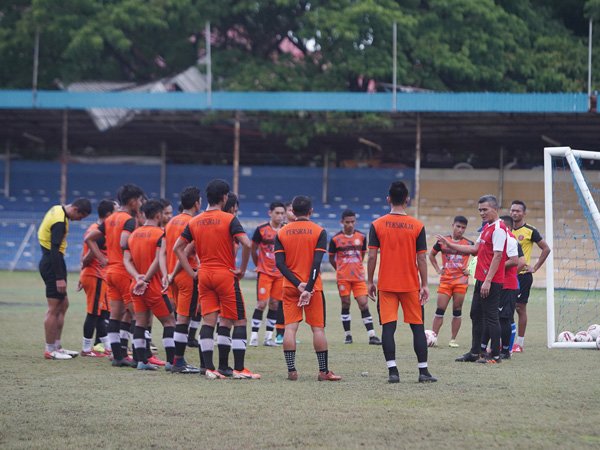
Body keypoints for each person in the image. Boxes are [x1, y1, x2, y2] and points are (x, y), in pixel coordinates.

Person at [174, 179, 260, 379]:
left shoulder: (194, 221)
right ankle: (237, 368)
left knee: (208, 321)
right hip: (225, 274)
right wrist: (242, 269)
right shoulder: (229, 219)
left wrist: (192, 272)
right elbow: (247, 244)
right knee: (238, 320)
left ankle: (209, 368)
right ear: (224, 197)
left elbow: (178, 248)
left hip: (204, 275)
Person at [367, 181, 436, 383]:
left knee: (388, 329)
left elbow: (371, 256)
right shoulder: (417, 225)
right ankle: (423, 372)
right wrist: (424, 284)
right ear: (407, 199)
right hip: (410, 285)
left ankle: (393, 372)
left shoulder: (377, 224)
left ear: (388, 198)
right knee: (417, 327)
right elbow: (421, 258)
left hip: (387, 285)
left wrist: (370, 281)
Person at [275, 195, 341, 382]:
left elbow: (280, 264)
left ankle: (292, 371)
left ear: (292, 212)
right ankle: (323, 372)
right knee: (318, 330)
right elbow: (316, 263)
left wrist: (297, 285)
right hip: (314, 289)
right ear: (311, 211)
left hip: (289, 286)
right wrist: (308, 288)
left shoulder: (282, 232)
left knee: (290, 329)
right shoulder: (319, 231)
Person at [439, 194, 509, 365]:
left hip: (491, 281)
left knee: (491, 317)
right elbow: (474, 249)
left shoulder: (499, 229)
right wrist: (449, 245)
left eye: (485, 209)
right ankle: (475, 352)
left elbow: (498, 256)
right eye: (479, 210)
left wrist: (488, 280)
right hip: (481, 278)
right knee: (475, 314)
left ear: (495, 209)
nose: (482, 213)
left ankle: (495, 356)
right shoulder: (486, 228)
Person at [86, 184, 144, 367]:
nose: (141, 203)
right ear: (133, 201)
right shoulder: (128, 220)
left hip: (109, 271)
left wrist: (102, 258)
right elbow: (124, 242)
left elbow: (89, 238)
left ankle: (118, 356)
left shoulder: (110, 219)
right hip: (123, 272)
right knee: (138, 315)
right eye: (140, 200)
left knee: (115, 315)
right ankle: (140, 356)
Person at [123, 200, 176, 370]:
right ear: (159, 215)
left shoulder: (134, 234)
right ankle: (171, 362)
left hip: (135, 285)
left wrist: (137, 277)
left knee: (140, 322)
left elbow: (126, 260)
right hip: (152, 286)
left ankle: (141, 362)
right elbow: (157, 259)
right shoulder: (160, 233)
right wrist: (145, 279)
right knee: (169, 322)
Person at [38, 198, 91, 359]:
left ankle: (57, 346)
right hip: (52, 263)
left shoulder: (57, 209)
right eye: (80, 217)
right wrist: (59, 277)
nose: (79, 220)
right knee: (54, 308)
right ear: (75, 209)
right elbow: (54, 250)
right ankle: (50, 349)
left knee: (63, 304)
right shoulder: (60, 221)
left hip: (52, 261)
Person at [328, 209, 381, 345]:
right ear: (342, 222)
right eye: (347, 222)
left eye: (352, 222)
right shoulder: (335, 239)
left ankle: (372, 336)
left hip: (358, 277)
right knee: (345, 303)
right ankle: (348, 335)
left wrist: (355, 266)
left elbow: (362, 254)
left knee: (364, 304)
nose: (350, 225)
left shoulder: (362, 237)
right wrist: (340, 269)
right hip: (343, 278)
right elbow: (331, 258)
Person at [164, 187, 202, 373]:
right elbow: (185, 252)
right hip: (186, 274)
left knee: (179, 317)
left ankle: (175, 359)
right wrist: (192, 273)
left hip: (174, 276)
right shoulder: (194, 222)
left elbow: (165, 250)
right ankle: (178, 362)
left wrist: (169, 274)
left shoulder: (171, 222)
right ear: (197, 203)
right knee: (183, 319)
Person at [510, 200, 551, 353]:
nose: (515, 213)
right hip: (506, 275)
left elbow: (546, 249)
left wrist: (535, 267)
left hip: (522, 276)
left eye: (518, 211)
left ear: (524, 213)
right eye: (512, 210)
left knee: (519, 308)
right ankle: (505, 341)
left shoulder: (530, 231)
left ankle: (519, 343)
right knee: (505, 309)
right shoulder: (505, 229)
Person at [428, 216, 473, 348]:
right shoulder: (443, 241)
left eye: (463, 228)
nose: (460, 230)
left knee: (457, 310)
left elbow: (480, 257)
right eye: (458, 226)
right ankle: (433, 337)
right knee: (440, 310)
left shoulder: (469, 244)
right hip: (446, 281)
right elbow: (431, 255)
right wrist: (437, 269)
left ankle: (453, 339)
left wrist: (470, 269)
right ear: (453, 225)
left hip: (461, 281)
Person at [79, 199, 115, 357]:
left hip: (99, 275)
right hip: (95, 275)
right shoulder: (99, 232)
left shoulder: (98, 229)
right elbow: (87, 258)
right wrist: (102, 259)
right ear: (109, 214)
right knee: (93, 313)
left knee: (101, 313)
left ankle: (108, 346)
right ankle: (86, 349)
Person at [250, 201, 286, 347]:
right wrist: (259, 264)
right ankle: (253, 336)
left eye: (282, 213)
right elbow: (253, 249)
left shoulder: (286, 230)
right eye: (277, 213)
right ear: (270, 213)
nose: (280, 216)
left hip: (279, 274)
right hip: (264, 272)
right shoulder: (261, 230)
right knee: (261, 304)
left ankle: (268, 337)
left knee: (275, 304)